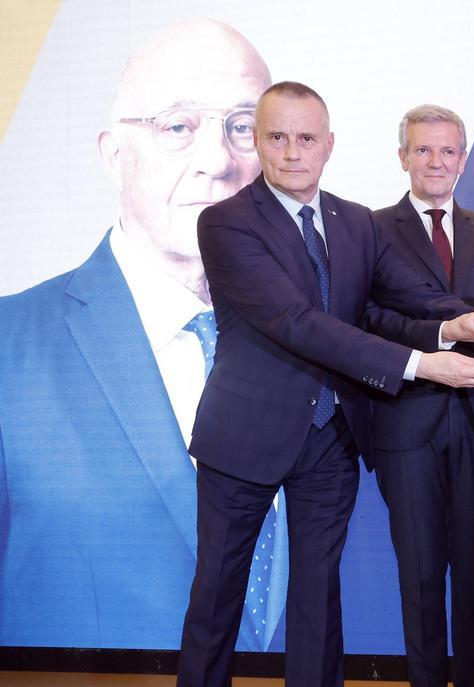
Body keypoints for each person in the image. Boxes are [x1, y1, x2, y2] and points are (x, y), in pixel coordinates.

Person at [154, 81, 474, 687]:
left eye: (305, 138)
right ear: (257, 141)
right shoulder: (225, 224)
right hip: (243, 436)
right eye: (276, 137)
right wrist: (420, 364)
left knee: (319, 598)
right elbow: (296, 322)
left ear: (329, 144)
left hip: (330, 438)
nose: (291, 151)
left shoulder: (353, 223)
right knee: (216, 591)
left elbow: (396, 297)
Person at [0, 20, 284, 651]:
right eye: (177, 126)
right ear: (111, 153)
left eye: (242, 127)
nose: (216, 162)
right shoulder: (8, 348)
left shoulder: (327, 336)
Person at [363, 104, 474, 687]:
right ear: (403, 156)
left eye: (448, 151)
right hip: (409, 420)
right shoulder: (369, 230)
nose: (436, 162)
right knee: (422, 572)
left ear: (464, 159)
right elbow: (364, 315)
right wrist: (440, 335)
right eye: (423, 150)